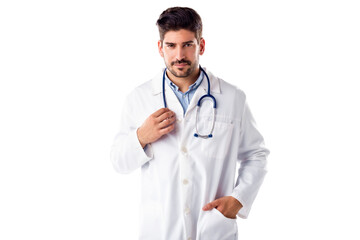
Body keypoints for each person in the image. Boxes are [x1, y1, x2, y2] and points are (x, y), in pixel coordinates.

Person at [110, 6, 269, 240]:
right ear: (160, 48)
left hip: (213, 228)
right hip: (161, 230)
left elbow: (256, 154)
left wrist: (239, 199)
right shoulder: (140, 98)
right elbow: (118, 162)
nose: (179, 56)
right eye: (171, 46)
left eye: (188, 45)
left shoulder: (233, 98)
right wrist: (141, 137)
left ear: (201, 46)